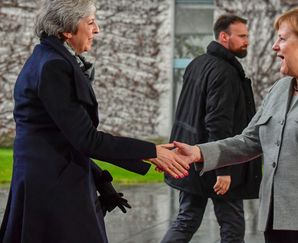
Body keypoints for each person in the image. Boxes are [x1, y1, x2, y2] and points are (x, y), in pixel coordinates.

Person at [171, 6, 298, 243]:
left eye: (282, 38)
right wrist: (197, 152)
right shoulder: (279, 89)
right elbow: (250, 140)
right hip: (277, 221)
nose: (274, 46)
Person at [0, 1, 188, 242]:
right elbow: (86, 139)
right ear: (67, 30)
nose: (96, 29)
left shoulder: (47, 59)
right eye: (90, 22)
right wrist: (151, 151)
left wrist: (101, 181)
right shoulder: (54, 66)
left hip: (51, 180)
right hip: (54, 189)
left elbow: (63, 138)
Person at [161, 14, 261, 243]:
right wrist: (223, 170)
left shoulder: (198, 63)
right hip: (216, 165)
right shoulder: (225, 72)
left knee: (186, 220)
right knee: (232, 228)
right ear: (224, 37)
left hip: (193, 159)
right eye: (242, 36)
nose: (247, 40)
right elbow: (218, 122)